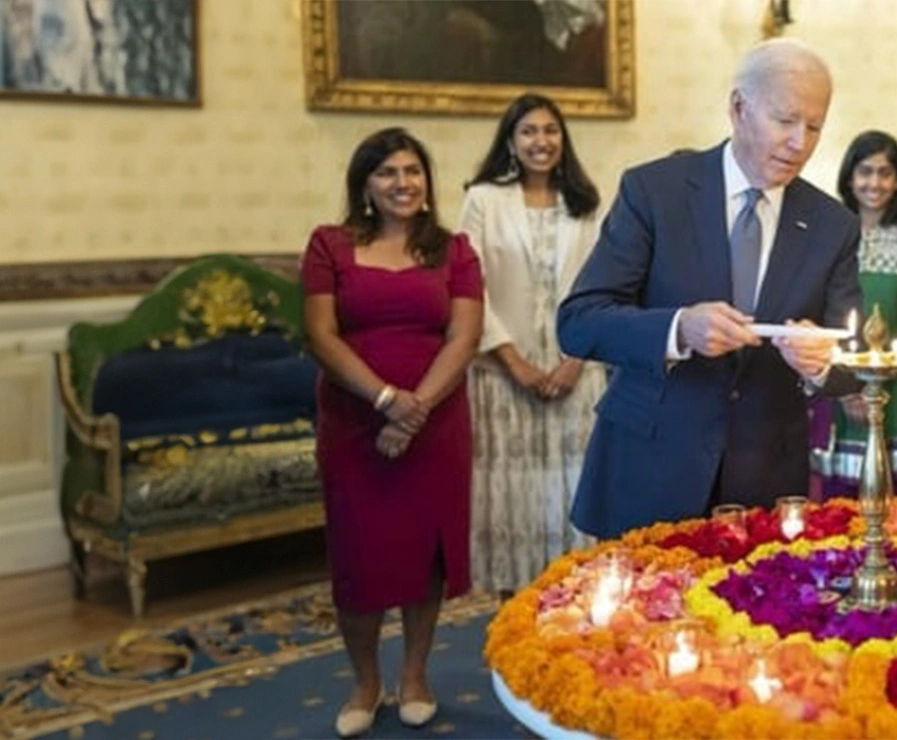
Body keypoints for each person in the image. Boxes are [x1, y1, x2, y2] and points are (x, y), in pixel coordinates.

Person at [557, 39, 861, 539]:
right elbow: (579, 322)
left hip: (765, 482)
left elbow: (855, 359)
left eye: (814, 127)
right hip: (651, 464)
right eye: (785, 121)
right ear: (739, 108)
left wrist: (823, 363)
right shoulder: (655, 191)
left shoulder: (833, 225)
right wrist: (678, 329)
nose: (800, 143)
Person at [300, 128, 484, 738]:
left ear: (427, 184)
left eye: (412, 171)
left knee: (423, 555)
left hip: (436, 428)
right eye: (387, 173)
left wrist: (415, 411)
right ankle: (364, 681)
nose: (402, 182)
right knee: (359, 558)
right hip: (355, 426)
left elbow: (463, 338)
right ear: (365, 186)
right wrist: (384, 401)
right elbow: (321, 336)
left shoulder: (455, 251)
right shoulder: (329, 245)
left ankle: (414, 675)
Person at [460, 93, 610, 593]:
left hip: (577, 376)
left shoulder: (586, 205)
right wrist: (514, 363)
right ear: (510, 141)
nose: (540, 141)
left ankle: (577, 617)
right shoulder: (483, 200)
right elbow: (469, 285)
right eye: (528, 131)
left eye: (550, 130)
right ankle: (514, 622)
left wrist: (573, 361)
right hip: (504, 379)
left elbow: (603, 284)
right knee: (514, 505)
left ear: (562, 140)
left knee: (572, 503)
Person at [809, 131, 897, 498]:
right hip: (838, 386)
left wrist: (877, 374)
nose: (875, 183)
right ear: (850, 177)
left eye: (885, 172)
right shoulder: (828, 236)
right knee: (838, 510)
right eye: (865, 171)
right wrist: (848, 385)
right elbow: (816, 316)